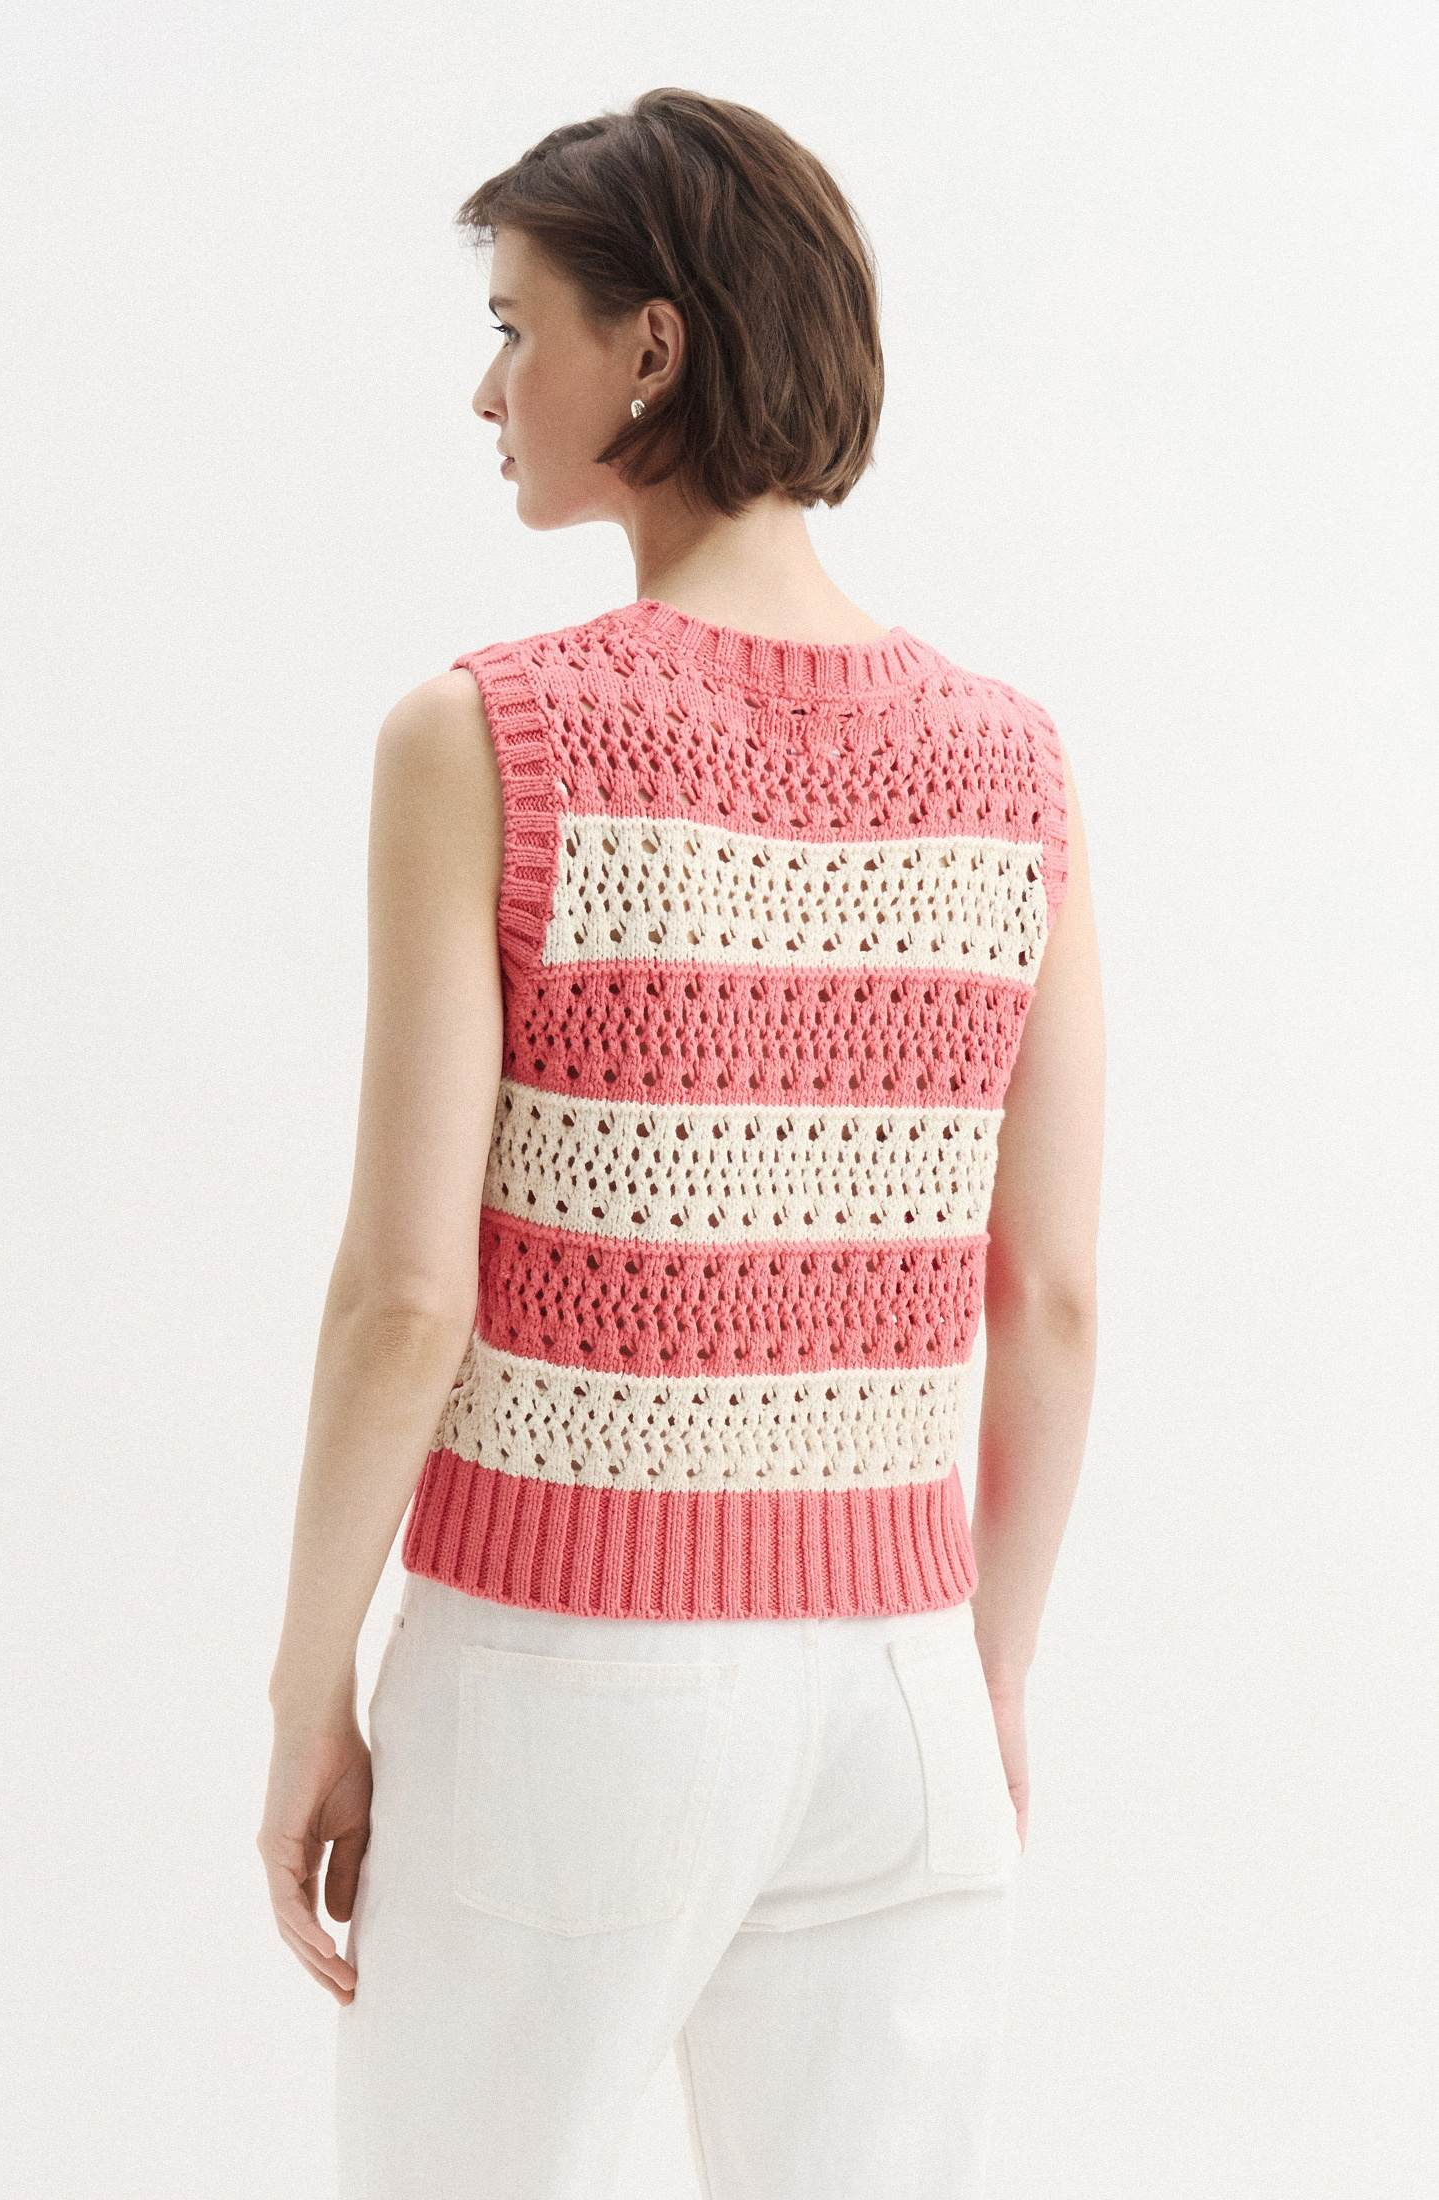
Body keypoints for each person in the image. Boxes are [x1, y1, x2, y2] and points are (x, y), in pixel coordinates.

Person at [258, 85, 1103, 2200]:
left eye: (515, 325)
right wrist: (986, 1670)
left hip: (570, 1677)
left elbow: (406, 1300)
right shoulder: (1015, 765)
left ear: (653, 344)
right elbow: (1050, 1296)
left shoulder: (488, 736)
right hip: (901, 1693)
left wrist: (306, 1690)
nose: (486, 388)